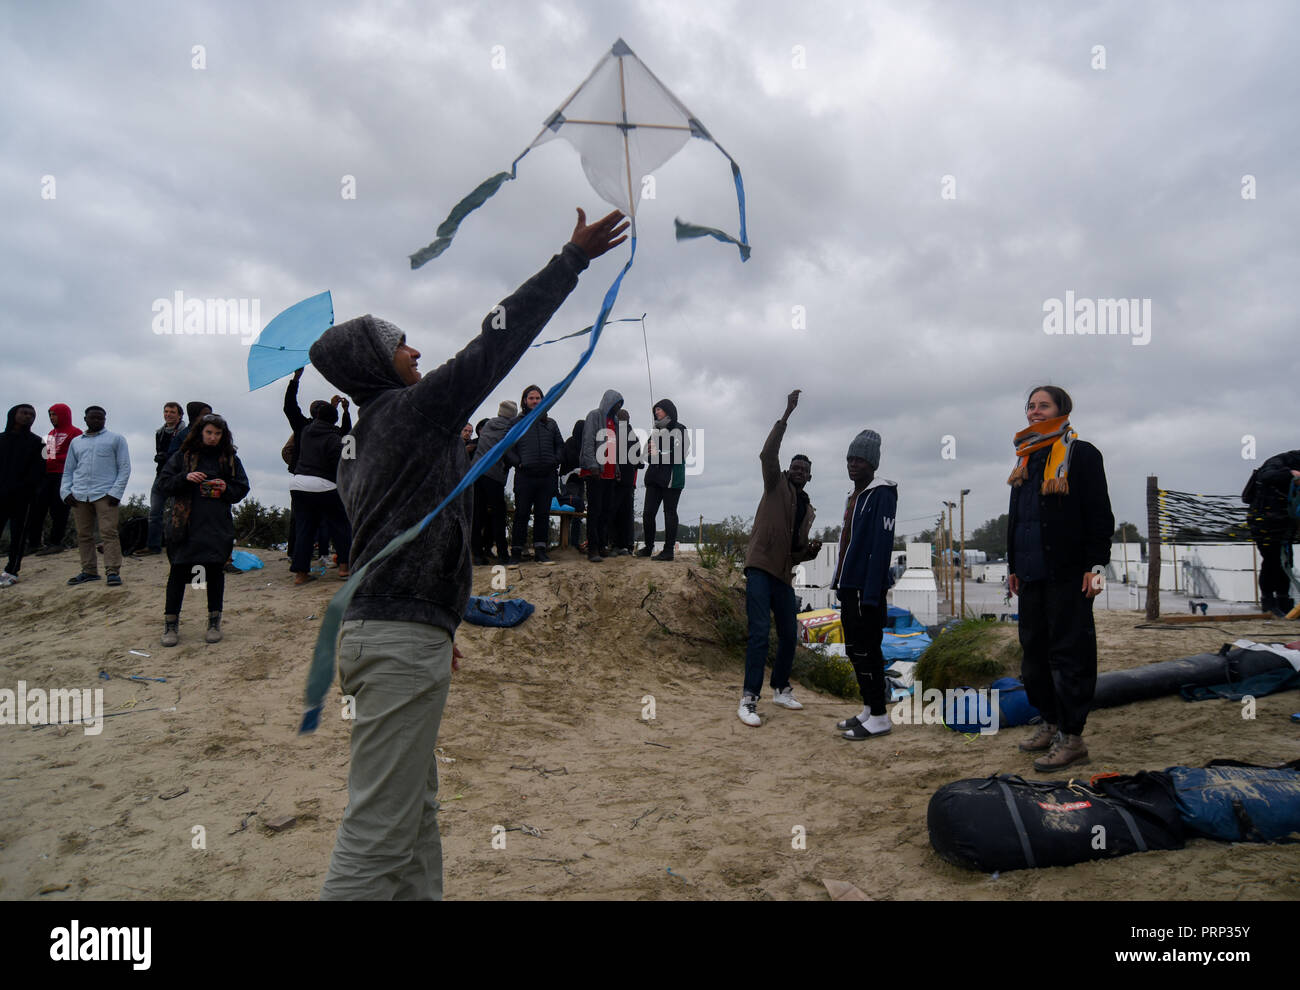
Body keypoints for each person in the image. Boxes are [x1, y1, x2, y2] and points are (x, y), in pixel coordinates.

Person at [308, 206, 628, 900]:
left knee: (413, 813)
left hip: (384, 630)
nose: (416, 352)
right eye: (400, 344)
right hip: (395, 640)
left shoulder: (362, 442)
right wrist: (570, 259)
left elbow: (407, 527)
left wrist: (437, 616)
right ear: (374, 364)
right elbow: (495, 345)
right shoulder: (407, 413)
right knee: (378, 832)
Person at [1007, 385, 1113, 771]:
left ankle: (1073, 738)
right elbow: (1018, 520)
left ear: (1062, 410)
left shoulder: (1081, 454)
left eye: (1043, 405)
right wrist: (1013, 567)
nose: (1034, 411)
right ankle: (1050, 723)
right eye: (1030, 406)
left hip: (1070, 576)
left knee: (1071, 656)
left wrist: (1096, 567)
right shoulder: (1025, 458)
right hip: (1031, 577)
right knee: (1033, 657)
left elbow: (1100, 516)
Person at [737, 390, 822, 727]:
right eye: (795, 467)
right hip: (759, 568)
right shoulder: (775, 484)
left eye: (804, 470)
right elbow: (766, 453)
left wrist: (809, 553)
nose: (799, 472)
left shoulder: (807, 509)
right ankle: (748, 699)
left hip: (783, 576)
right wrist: (786, 414)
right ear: (788, 470)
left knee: (789, 634)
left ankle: (781, 688)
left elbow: (794, 552)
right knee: (759, 633)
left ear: (810, 477)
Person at [157, 414, 251, 645]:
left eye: (217, 434)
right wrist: (185, 477)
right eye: (209, 433)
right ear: (200, 432)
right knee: (178, 573)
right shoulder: (183, 456)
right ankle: (171, 626)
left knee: (214, 572)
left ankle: (213, 623)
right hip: (185, 525)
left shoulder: (229, 459)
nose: (213, 438)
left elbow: (242, 488)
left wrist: (225, 487)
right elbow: (163, 484)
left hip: (216, 525)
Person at [829, 430, 898, 739]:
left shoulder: (882, 494)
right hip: (848, 586)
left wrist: (871, 592)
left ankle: (881, 717)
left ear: (872, 463)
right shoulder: (853, 496)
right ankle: (869, 709)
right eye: (849, 459)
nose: (853, 464)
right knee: (854, 650)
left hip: (864, 589)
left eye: (859, 459)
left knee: (868, 649)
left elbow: (881, 547)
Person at [60, 406, 131, 587]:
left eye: (101, 418)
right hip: (79, 494)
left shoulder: (116, 439)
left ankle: (113, 571)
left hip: (105, 494)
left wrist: (116, 492)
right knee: (83, 535)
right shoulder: (76, 442)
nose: (98, 421)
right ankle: (89, 571)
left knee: (109, 533)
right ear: (85, 419)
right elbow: (68, 470)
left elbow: (124, 468)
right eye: (94, 418)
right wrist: (65, 491)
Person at [290, 395, 353, 584]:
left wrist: (335, 409)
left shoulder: (306, 431)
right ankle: (344, 567)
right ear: (334, 420)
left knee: (304, 528)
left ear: (317, 417)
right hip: (324, 485)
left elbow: (321, 417)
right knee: (340, 526)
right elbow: (345, 443)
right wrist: (345, 412)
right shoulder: (334, 438)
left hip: (299, 483)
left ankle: (300, 574)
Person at [504, 384, 563, 563]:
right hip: (525, 476)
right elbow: (506, 448)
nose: (535, 401)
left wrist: (555, 461)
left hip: (546, 475)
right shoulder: (516, 423)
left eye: (538, 398)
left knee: (542, 514)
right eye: (531, 398)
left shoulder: (551, 423)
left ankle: (540, 551)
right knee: (521, 514)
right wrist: (519, 463)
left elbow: (560, 446)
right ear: (525, 400)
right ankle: (516, 552)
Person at [1243, 449, 1300, 617]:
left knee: (1285, 560)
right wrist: (1291, 473)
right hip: (1265, 521)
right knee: (1272, 559)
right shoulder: (1283, 460)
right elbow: (1266, 475)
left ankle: (1283, 601)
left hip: (1284, 522)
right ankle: (1269, 603)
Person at [26, 403, 82, 555]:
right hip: (47, 476)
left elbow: (78, 456)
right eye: (50, 414)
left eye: (55, 414)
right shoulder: (50, 433)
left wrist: (56, 458)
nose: (52, 418)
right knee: (37, 509)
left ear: (64, 415)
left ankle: (56, 542)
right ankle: (34, 543)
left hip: (63, 476)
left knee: (59, 511)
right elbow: (46, 456)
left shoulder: (76, 433)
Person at [0, 405, 46, 587]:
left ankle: (12, 570)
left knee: (18, 536)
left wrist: (32, 491)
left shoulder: (41, 442)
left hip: (24, 498)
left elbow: (43, 470)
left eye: (32, 414)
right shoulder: (1, 439)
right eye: (24, 413)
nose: (28, 417)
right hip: (1, 495)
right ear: (13, 415)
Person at [639, 398, 688, 561]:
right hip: (654, 479)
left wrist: (659, 454)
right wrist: (651, 454)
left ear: (668, 410)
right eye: (655, 410)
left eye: (659, 409)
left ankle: (668, 551)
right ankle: (648, 547)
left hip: (672, 479)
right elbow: (645, 455)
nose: (656, 412)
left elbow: (680, 453)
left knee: (669, 513)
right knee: (648, 514)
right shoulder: (655, 432)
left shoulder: (680, 429)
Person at [579, 389, 624, 562]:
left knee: (606, 511)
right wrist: (592, 465)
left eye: (621, 404)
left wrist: (617, 469)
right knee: (595, 511)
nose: (618, 407)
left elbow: (614, 449)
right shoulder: (594, 416)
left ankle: (602, 544)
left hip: (610, 473)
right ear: (609, 402)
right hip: (595, 472)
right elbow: (589, 440)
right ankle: (593, 548)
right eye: (616, 403)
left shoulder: (615, 421)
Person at [470, 401, 517, 565]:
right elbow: (508, 451)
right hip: (494, 474)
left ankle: (476, 553)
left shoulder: (489, 424)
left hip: (476, 472)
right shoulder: (510, 429)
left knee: (478, 514)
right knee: (499, 514)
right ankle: (503, 554)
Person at [142, 401, 185, 555]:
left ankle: (176, 545)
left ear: (180, 415)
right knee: (154, 512)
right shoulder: (159, 432)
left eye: (172, 412)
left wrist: (167, 457)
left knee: (177, 512)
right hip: (161, 475)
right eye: (166, 411)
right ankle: (153, 546)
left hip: (177, 475)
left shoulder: (184, 432)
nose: (168, 414)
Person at [610, 408, 643, 555]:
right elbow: (640, 463)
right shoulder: (634, 437)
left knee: (614, 512)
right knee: (627, 514)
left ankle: (615, 544)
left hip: (617, 480)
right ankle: (628, 545)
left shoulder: (614, 434)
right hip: (629, 482)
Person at [560, 419, 587, 551]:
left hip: (580, 481)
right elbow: (570, 460)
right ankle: (567, 542)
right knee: (568, 511)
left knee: (579, 512)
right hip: (569, 482)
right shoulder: (570, 443)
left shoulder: (584, 444)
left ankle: (574, 542)